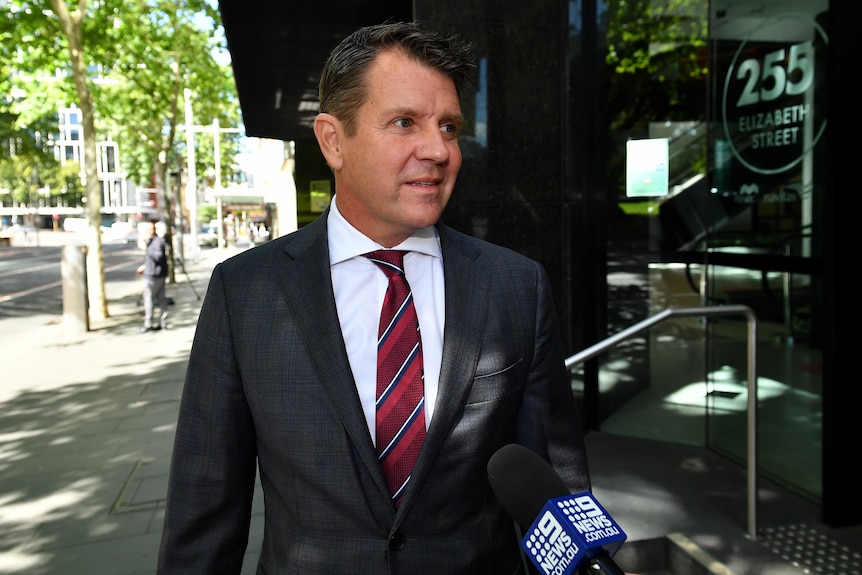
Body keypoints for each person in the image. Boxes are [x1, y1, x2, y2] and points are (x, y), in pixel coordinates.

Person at [157, 21, 591, 574]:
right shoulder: (244, 293)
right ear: (333, 140)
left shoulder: (514, 286)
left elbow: (560, 500)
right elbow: (204, 512)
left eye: (450, 127)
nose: (438, 150)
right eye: (405, 122)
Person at [136, 220, 168, 332]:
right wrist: (144, 267)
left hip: (154, 275)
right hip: (154, 273)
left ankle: (149, 323)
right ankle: (162, 322)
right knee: (160, 299)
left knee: (150, 299)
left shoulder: (156, 242)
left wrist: (146, 249)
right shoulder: (152, 241)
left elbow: (158, 257)